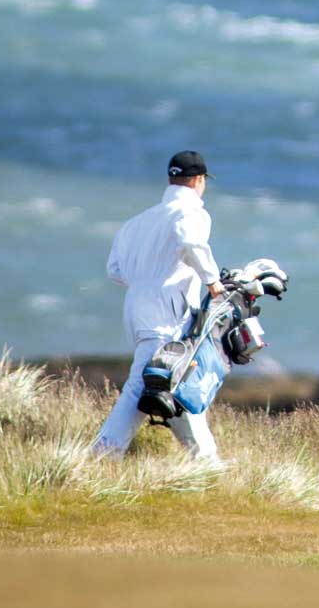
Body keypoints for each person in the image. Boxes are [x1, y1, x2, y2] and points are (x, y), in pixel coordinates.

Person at [91, 149, 229, 463]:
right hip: (165, 304)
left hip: (136, 303)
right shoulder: (191, 213)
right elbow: (191, 242)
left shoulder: (137, 221)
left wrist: (146, 276)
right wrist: (212, 281)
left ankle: (205, 459)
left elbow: (115, 270)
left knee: (171, 379)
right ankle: (105, 452)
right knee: (146, 380)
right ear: (197, 180)